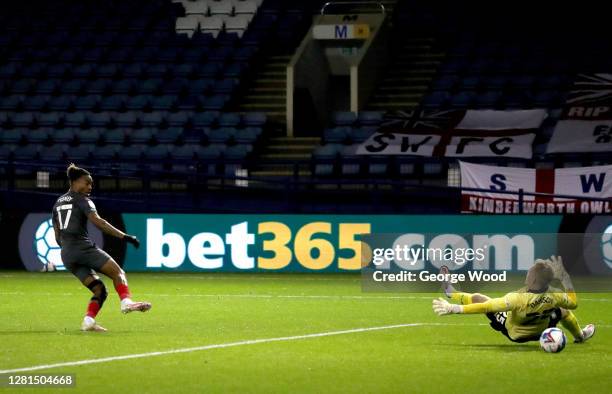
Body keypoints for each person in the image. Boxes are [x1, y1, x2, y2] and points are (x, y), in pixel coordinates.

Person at [52, 163, 151, 332]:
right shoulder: (83, 200)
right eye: (87, 183)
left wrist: (68, 250)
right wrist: (125, 236)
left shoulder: (58, 203)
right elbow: (99, 222)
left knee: (99, 289)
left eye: (91, 184)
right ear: (75, 182)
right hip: (82, 247)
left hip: (67, 254)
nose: (90, 187)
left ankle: (88, 322)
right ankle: (126, 302)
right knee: (118, 273)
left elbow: (57, 235)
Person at [432, 256, 595, 343]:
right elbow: (574, 303)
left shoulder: (516, 298)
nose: (527, 275)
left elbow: (485, 307)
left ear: (533, 280)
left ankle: (451, 293)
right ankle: (580, 336)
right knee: (563, 310)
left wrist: (453, 308)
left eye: (529, 274)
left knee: (479, 298)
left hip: (516, 334)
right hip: (541, 331)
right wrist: (565, 279)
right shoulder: (555, 295)